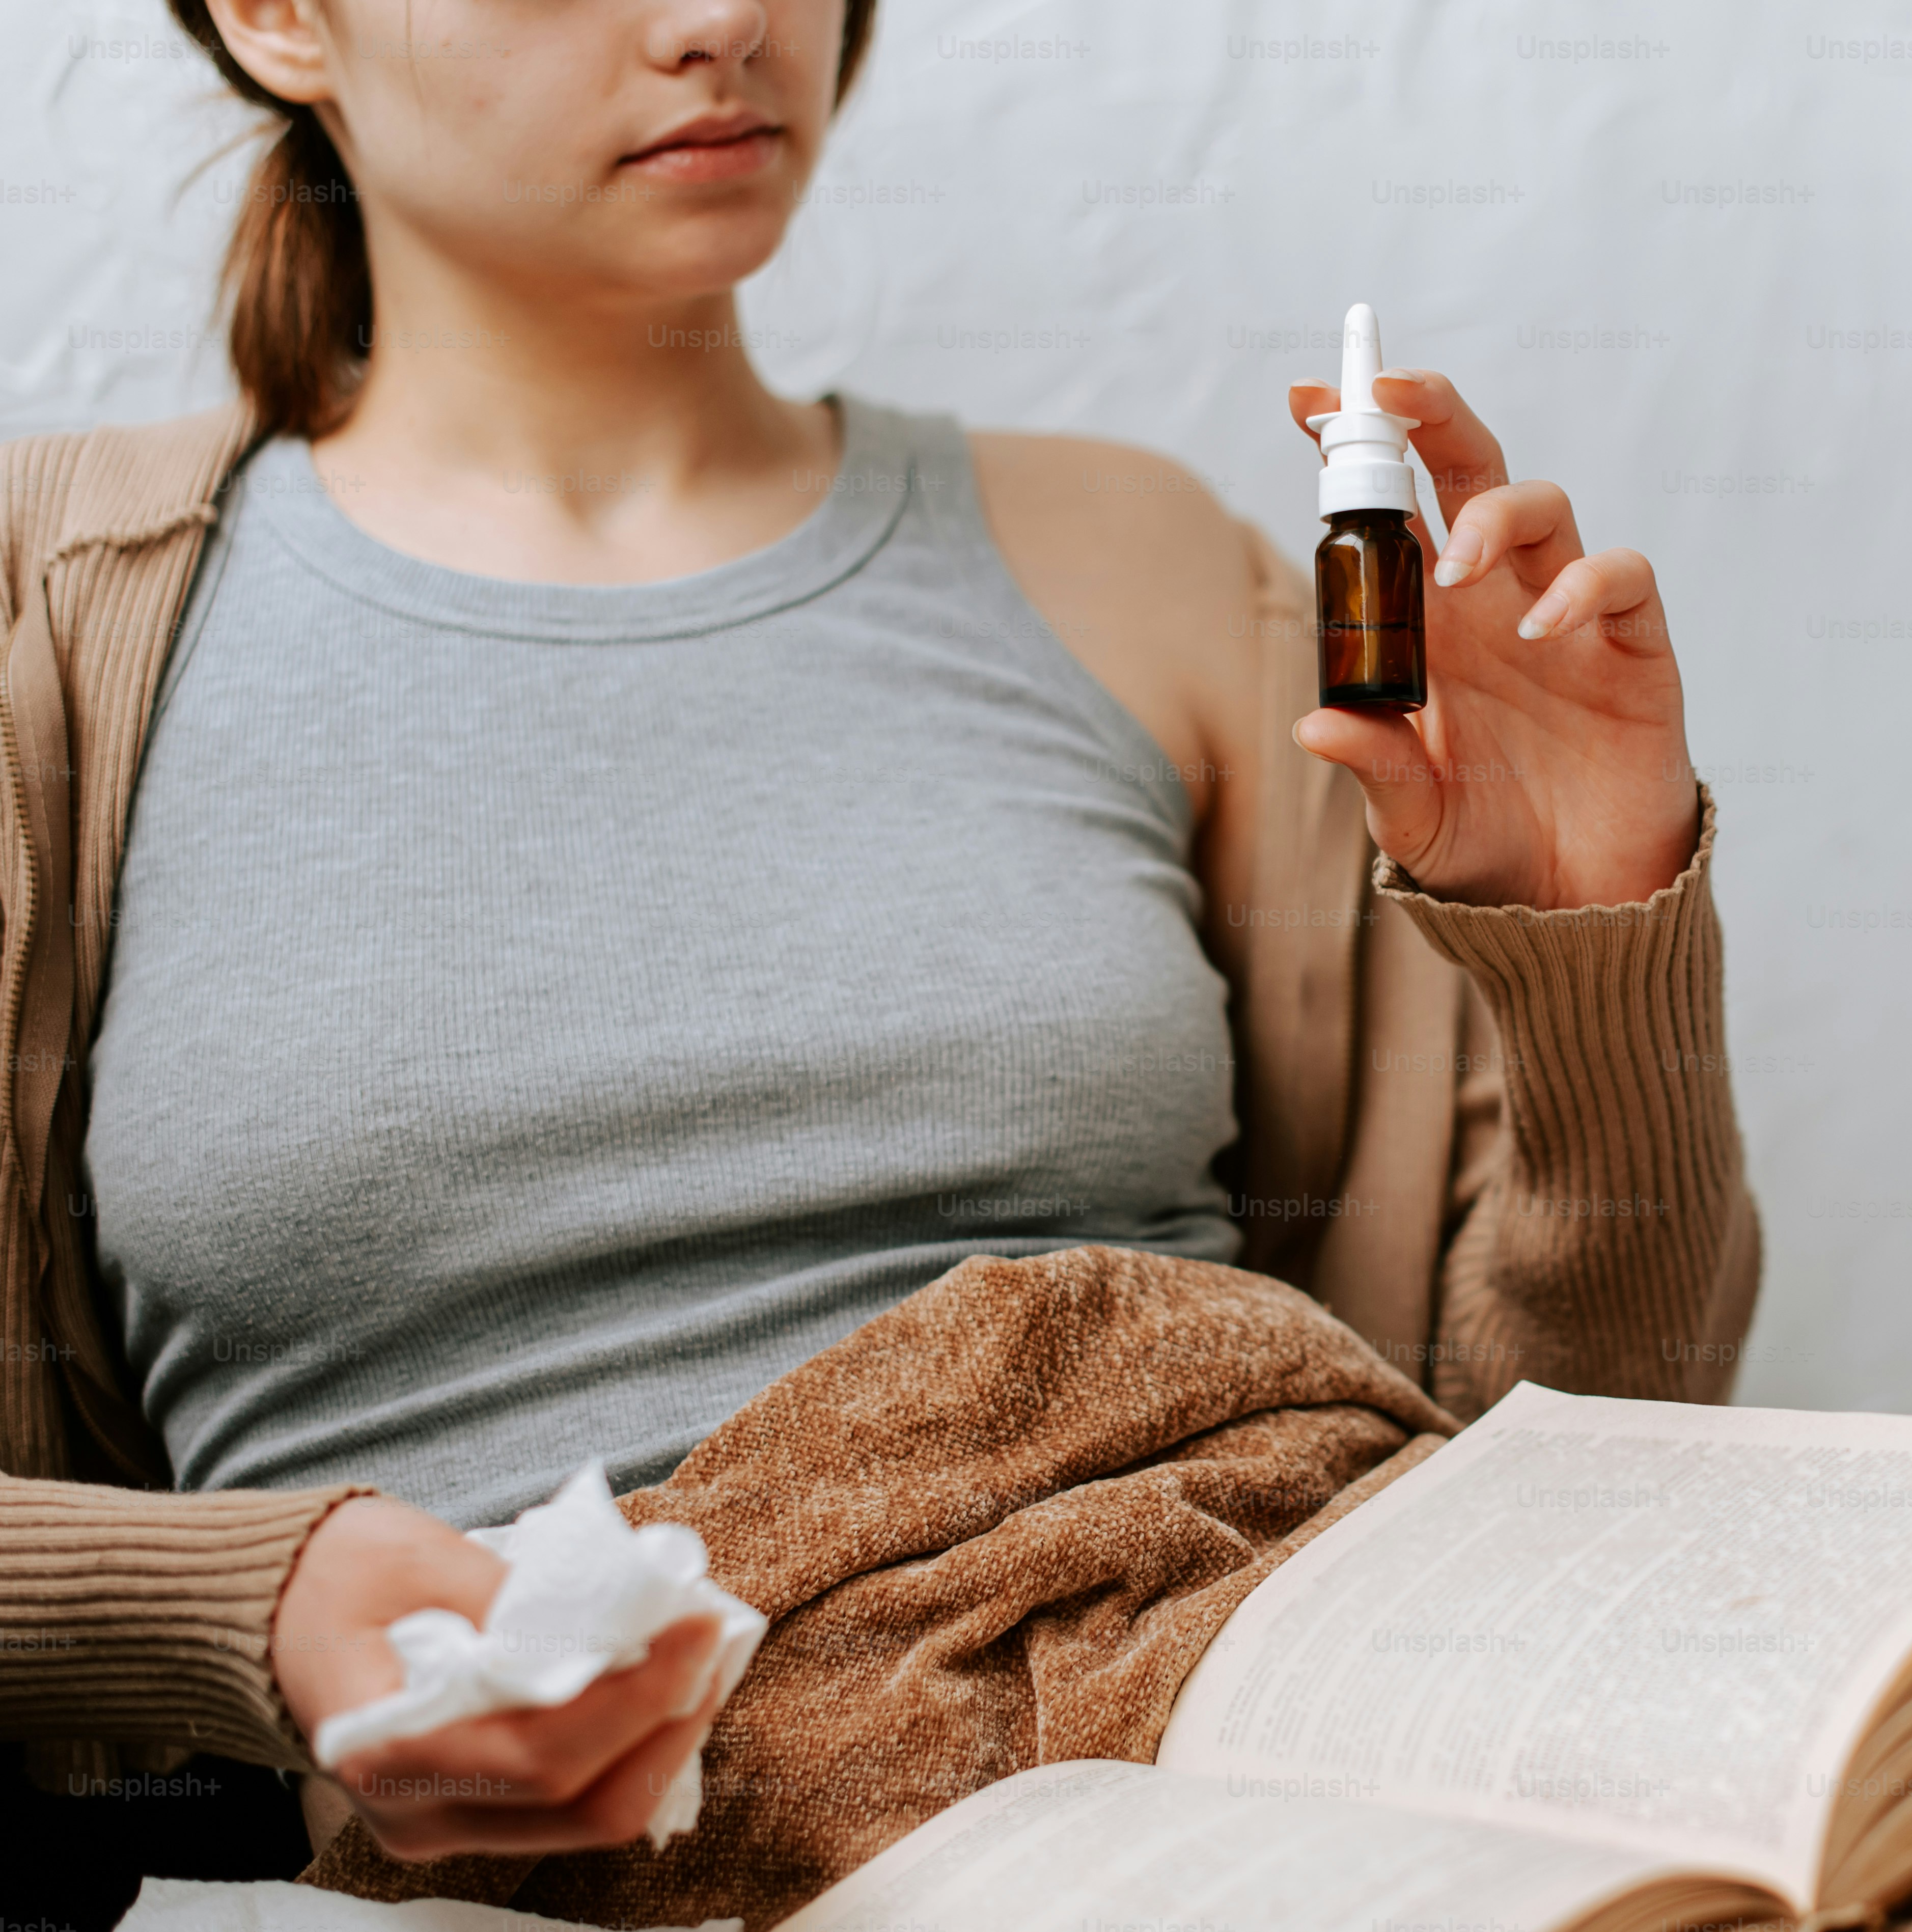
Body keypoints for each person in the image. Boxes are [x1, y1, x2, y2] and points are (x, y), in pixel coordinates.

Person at [0, 0, 1756, 1873]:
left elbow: (1570, 1456)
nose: (726, 23)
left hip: (1303, 1732)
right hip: (642, 1845)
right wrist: (255, 1600)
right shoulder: (55, 620)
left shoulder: (1141, 564)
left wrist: (1586, 931)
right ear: (279, 20)